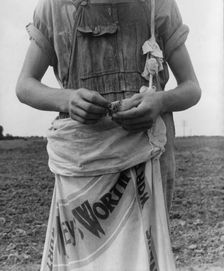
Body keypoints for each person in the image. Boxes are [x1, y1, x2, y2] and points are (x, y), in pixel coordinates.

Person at [16, 0, 201, 270]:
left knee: (141, 257)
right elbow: (24, 84)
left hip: (148, 161)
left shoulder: (157, 5)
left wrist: (160, 102)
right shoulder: (54, 8)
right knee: (87, 259)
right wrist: (66, 100)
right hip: (82, 166)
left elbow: (192, 87)